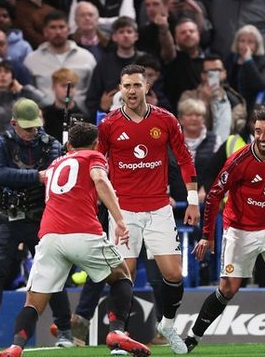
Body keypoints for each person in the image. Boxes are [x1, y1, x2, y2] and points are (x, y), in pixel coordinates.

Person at [0, 122, 151, 357]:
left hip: (49, 237)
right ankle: (117, 331)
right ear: (96, 144)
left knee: (33, 301)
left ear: (68, 145)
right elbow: (99, 180)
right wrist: (119, 220)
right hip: (82, 232)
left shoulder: (55, 164)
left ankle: (16, 346)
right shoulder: (94, 157)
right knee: (121, 275)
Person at [188, 107, 265, 352]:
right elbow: (213, 196)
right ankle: (193, 336)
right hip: (239, 229)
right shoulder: (239, 161)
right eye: (257, 131)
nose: (262, 138)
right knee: (228, 289)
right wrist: (207, 236)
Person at [96, 64, 200, 354]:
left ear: (146, 87)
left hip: (158, 209)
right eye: (126, 85)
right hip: (123, 212)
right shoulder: (108, 124)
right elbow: (97, 164)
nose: (131, 91)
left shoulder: (166, 120)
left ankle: (167, 324)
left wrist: (192, 201)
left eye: (136, 85)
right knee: (122, 274)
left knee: (174, 274)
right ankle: (120, 335)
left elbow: (184, 159)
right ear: (120, 89)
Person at [0, 99, 75, 350]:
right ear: (13, 123)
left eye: (36, 127)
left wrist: (33, 178)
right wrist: (36, 177)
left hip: (41, 217)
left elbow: (57, 173)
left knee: (53, 272)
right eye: (27, 128)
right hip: (8, 217)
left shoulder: (51, 143)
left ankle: (65, 331)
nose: (33, 132)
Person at [24, 10, 96, 110]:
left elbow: (94, 92)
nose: (57, 32)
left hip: (81, 118)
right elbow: (28, 94)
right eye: (53, 27)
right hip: (44, 119)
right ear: (45, 31)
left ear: (68, 30)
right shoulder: (31, 60)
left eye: (61, 27)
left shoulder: (87, 57)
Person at [85, 16, 145, 117]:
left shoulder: (146, 62)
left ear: (136, 36)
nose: (125, 35)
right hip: (111, 119)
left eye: (129, 32)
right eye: (121, 32)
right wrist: (101, 107)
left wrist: (153, 103)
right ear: (114, 37)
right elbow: (91, 99)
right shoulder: (103, 64)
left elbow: (157, 93)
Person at [224, 24, 265, 110]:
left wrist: (248, 61)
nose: (245, 45)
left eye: (250, 42)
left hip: (250, 106)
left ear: (257, 45)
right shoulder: (230, 59)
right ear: (237, 42)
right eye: (242, 41)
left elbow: (261, 84)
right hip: (230, 104)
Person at [41, 68, 89, 143]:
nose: (68, 90)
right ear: (53, 87)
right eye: (63, 86)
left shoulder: (83, 117)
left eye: (72, 86)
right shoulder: (44, 115)